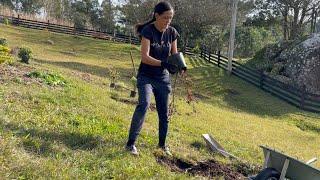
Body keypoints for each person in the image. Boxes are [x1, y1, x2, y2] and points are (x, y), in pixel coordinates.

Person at [126, 1, 183, 156]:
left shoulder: (172, 32)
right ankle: (131, 144)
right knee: (144, 104)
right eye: (165, 18)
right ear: (156, 16)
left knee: (164, 113)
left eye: (170, 18)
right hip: (146, 76)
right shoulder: (148, 31)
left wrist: (179, 66)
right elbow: (145, 57)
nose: (168, 21)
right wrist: (163, 63)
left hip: (163, 79)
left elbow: (174, 55)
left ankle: (162, 145)